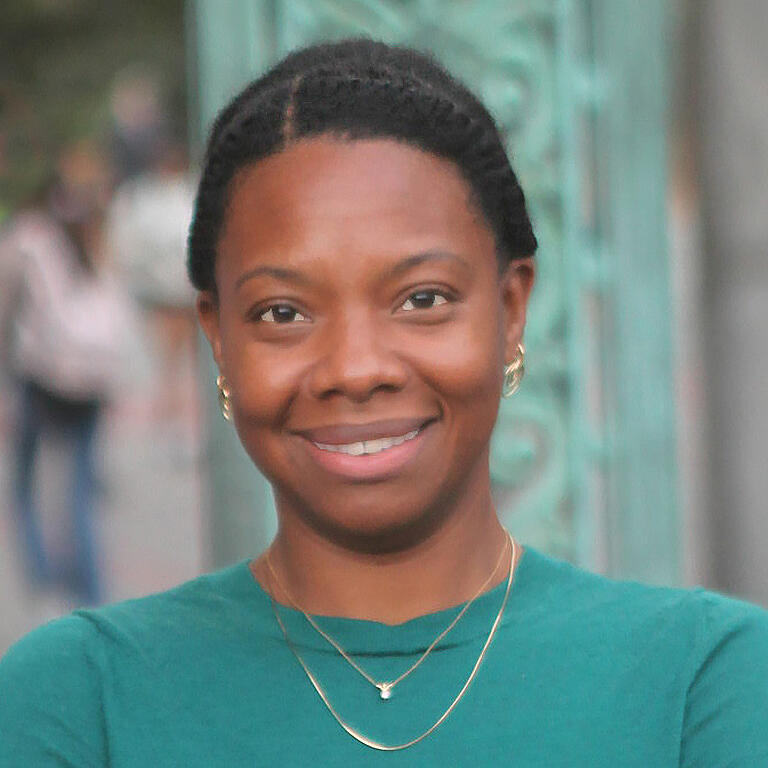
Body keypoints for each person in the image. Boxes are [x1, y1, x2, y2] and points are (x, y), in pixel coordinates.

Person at [1, 39, 767, 766]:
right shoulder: (77, 700)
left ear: (511, 309)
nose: (356, 369)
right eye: (282, 313)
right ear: (218, 335)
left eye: (422, 298)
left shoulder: (707, 683)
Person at [0, 143, 134, 609]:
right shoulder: (98, 236)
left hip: (42, 376)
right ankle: (91, 584)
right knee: (77, 483)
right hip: (92, 380)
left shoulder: (26, 237)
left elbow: (5, 310)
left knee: (25, 478)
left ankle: (41, 570)